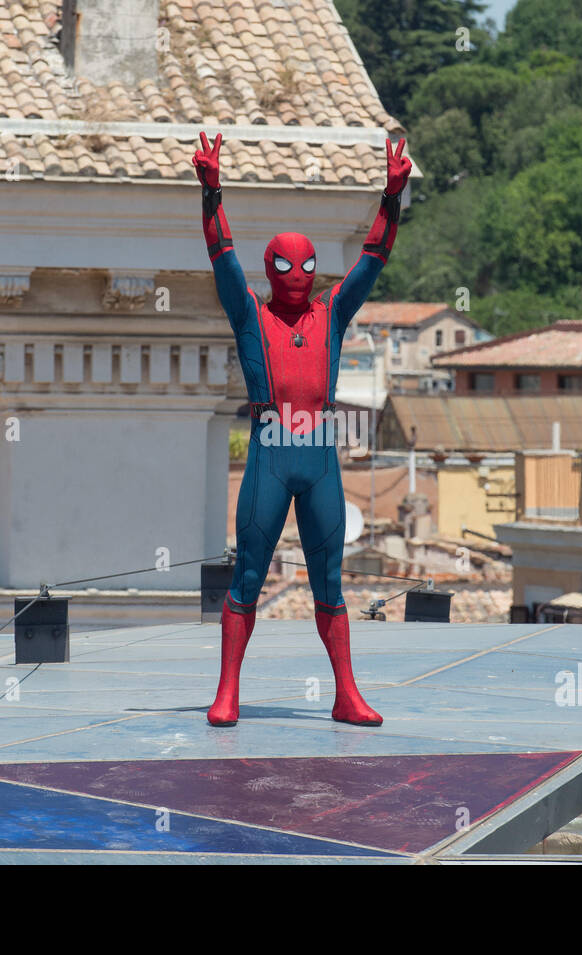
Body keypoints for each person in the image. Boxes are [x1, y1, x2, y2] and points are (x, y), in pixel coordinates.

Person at [193, 131, 411, 726]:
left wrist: (391, 199)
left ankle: (346, 693)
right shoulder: (250, 313)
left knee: (329, 580)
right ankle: (227, 692)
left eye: (307, 264)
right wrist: (211, 190)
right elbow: (222, 258)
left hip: (317, 451)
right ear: (271, 270)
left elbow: (373, 261)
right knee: (248, 575)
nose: (297, 273)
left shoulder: (332, 313)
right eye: (285, 265)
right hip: (272, 445)